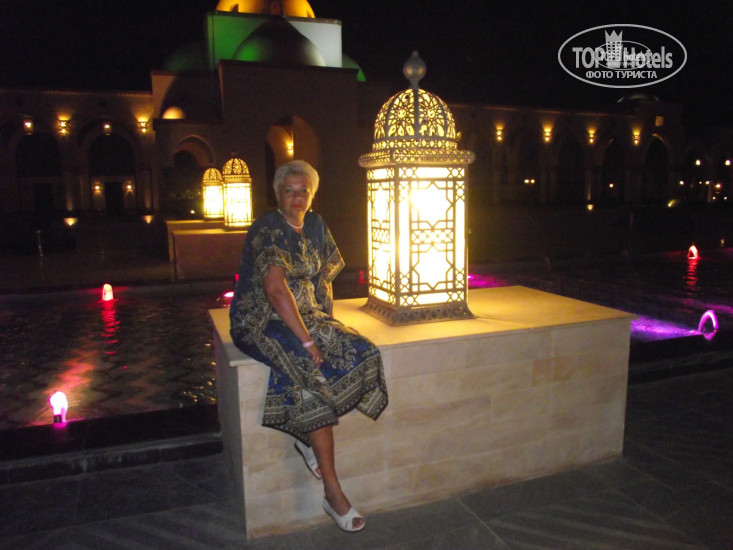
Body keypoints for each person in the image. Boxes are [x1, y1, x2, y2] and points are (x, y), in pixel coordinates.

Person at [229, 160, 388, 532]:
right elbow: (275, 289)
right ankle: (333, 493)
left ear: (312, 195)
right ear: (278, 194)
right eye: (289, 191)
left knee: (364, 351)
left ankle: (305, 437)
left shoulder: (316, 225)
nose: (297, 197)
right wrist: (307, 340)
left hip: (306, 314)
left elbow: (323, 280)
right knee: (310, 377)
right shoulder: (268, 228)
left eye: (304, 191)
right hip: (261, 319)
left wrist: (327, 324)